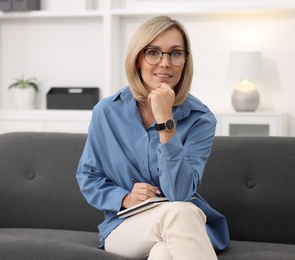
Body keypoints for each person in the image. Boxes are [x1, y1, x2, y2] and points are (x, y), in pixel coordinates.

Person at [76, 16, 229, 259]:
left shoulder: (201, 119)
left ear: (185, 62)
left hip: (181, 226)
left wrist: (165, 119)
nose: (165, 62)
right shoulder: (106, 112)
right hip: (125, 227)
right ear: (137, 58)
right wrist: (124, 197)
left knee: (164, 252)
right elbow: (88, 177)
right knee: (181, 213)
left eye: (175, 53)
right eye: (154, 52)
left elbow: (179, 193)